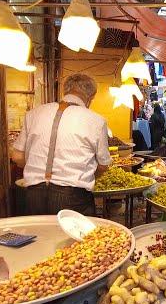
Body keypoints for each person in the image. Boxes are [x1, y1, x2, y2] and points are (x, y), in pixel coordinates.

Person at [11, 74, 111, 215]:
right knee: (75, 237)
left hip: (34, 195)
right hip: (73, 196)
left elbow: (17, 157)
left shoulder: (34, 114)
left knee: (43, 236)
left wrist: (40, 167)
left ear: (65, 91)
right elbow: (103, 165)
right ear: (90, 98)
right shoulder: (96, 120)